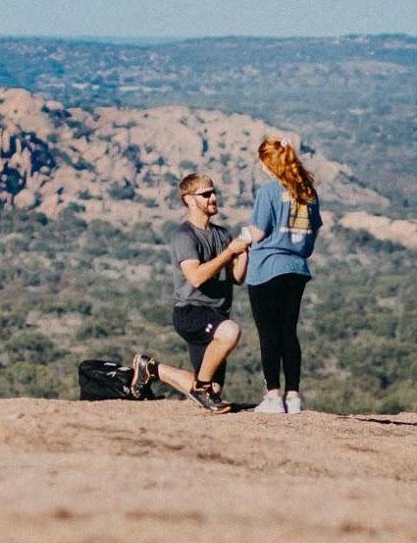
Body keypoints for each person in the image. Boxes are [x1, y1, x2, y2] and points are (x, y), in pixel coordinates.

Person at [129, 171, 251, 413]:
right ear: (189, 199)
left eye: (214, 192)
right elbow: (195, 277)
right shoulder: (184, 236)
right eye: (206, 194)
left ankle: (152, 369)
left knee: (213, 389)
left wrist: (244, 250)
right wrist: (229, 253)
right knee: (230, 332)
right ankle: (201, 389)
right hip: (191, 312)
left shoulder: (222, 234)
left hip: (215, 314)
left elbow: (237, 278)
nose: (213, 198)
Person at [242, 136, 322, 414]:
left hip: (266, 268)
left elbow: (259, 232)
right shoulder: (307, 192)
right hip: (296, 269)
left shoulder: (269, 191)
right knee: (289, 332)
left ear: (268, 162)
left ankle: (273, 396)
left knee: (268, 334)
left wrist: (242, 238)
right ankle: (294, 395)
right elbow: (312, 236)